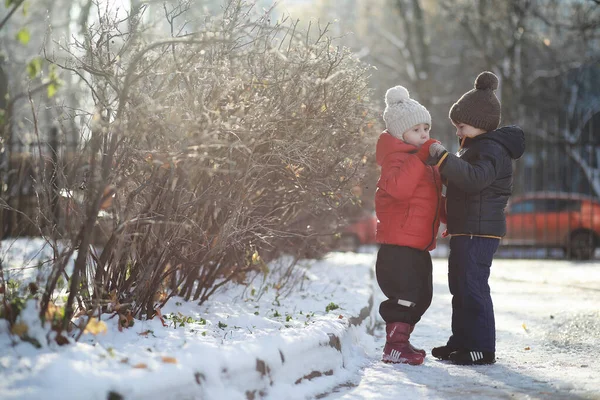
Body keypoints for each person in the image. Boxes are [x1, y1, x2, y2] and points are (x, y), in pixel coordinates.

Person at [419, 71, 525, 365]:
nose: (457, 131)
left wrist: (444, 159)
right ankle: (462, 341)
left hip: (480, 233)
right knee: (460, 286)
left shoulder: (492, 150)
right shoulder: (476, 148)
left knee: (473, 287)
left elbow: (475, 180)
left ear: (478, 124)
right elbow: (463, 188)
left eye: (461, 125)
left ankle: (481, 348)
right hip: (467, 229)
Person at [375, 85, 445, 365]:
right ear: (399, 133)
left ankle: (400, 341)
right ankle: (394, 347)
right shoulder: (395, 160)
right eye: (416, 130)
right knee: (405, 295)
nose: (424, 134)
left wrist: (447, 220)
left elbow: (433, 199)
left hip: (418, 244)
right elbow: (400, 189)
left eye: (426, 128)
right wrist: (420, 158)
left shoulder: (424, 161)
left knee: (423, 296)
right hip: (398, 246)